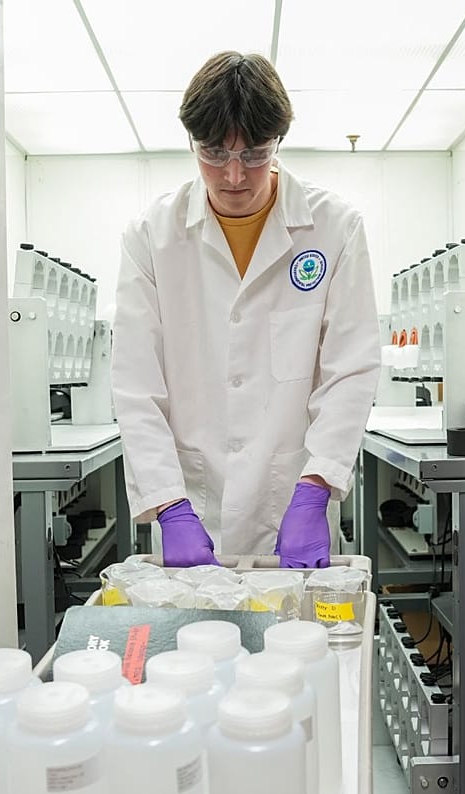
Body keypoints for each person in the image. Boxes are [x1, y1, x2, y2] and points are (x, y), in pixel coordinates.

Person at [112, 51, 381, 569]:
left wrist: (318, 484)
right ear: (191, 141)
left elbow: (351, 369)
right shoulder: (151, 236)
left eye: (255, 154)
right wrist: (168, 505)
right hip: (189, 499)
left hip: (291, 504)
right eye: (213, 152)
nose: (234, 175)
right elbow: (135, 385)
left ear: (278, 142)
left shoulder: (335, 228)